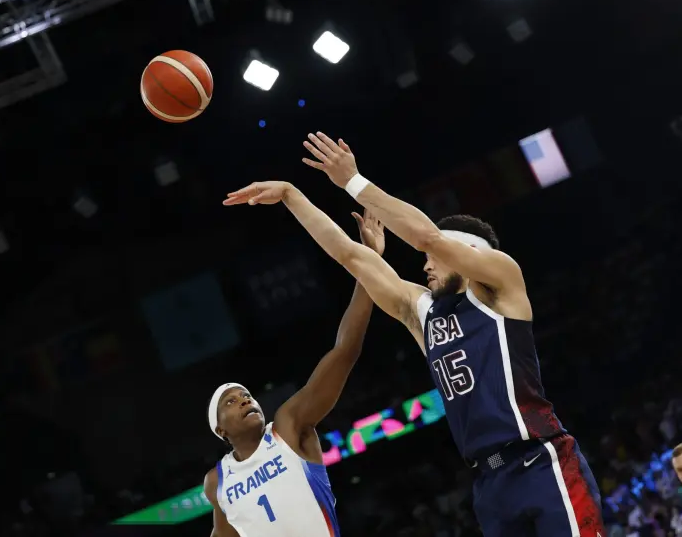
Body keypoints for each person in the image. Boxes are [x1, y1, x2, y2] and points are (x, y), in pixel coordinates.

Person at [223, 132, 605, 537]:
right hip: (488, 484)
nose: (425, 266)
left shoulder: (501, 286)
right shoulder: (424, 311)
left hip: (541, 460)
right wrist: (290, 195)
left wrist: (353, 182)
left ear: (469, 253)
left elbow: (427, 236)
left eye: (432, 260)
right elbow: (351, 256)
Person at [203, 209, 385, 537]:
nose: (244, 400)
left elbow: (345, 352)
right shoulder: (217, 481)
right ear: (220, 430)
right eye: (231, 402)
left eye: (245, 395)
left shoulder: (287, 426)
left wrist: (368, 265)